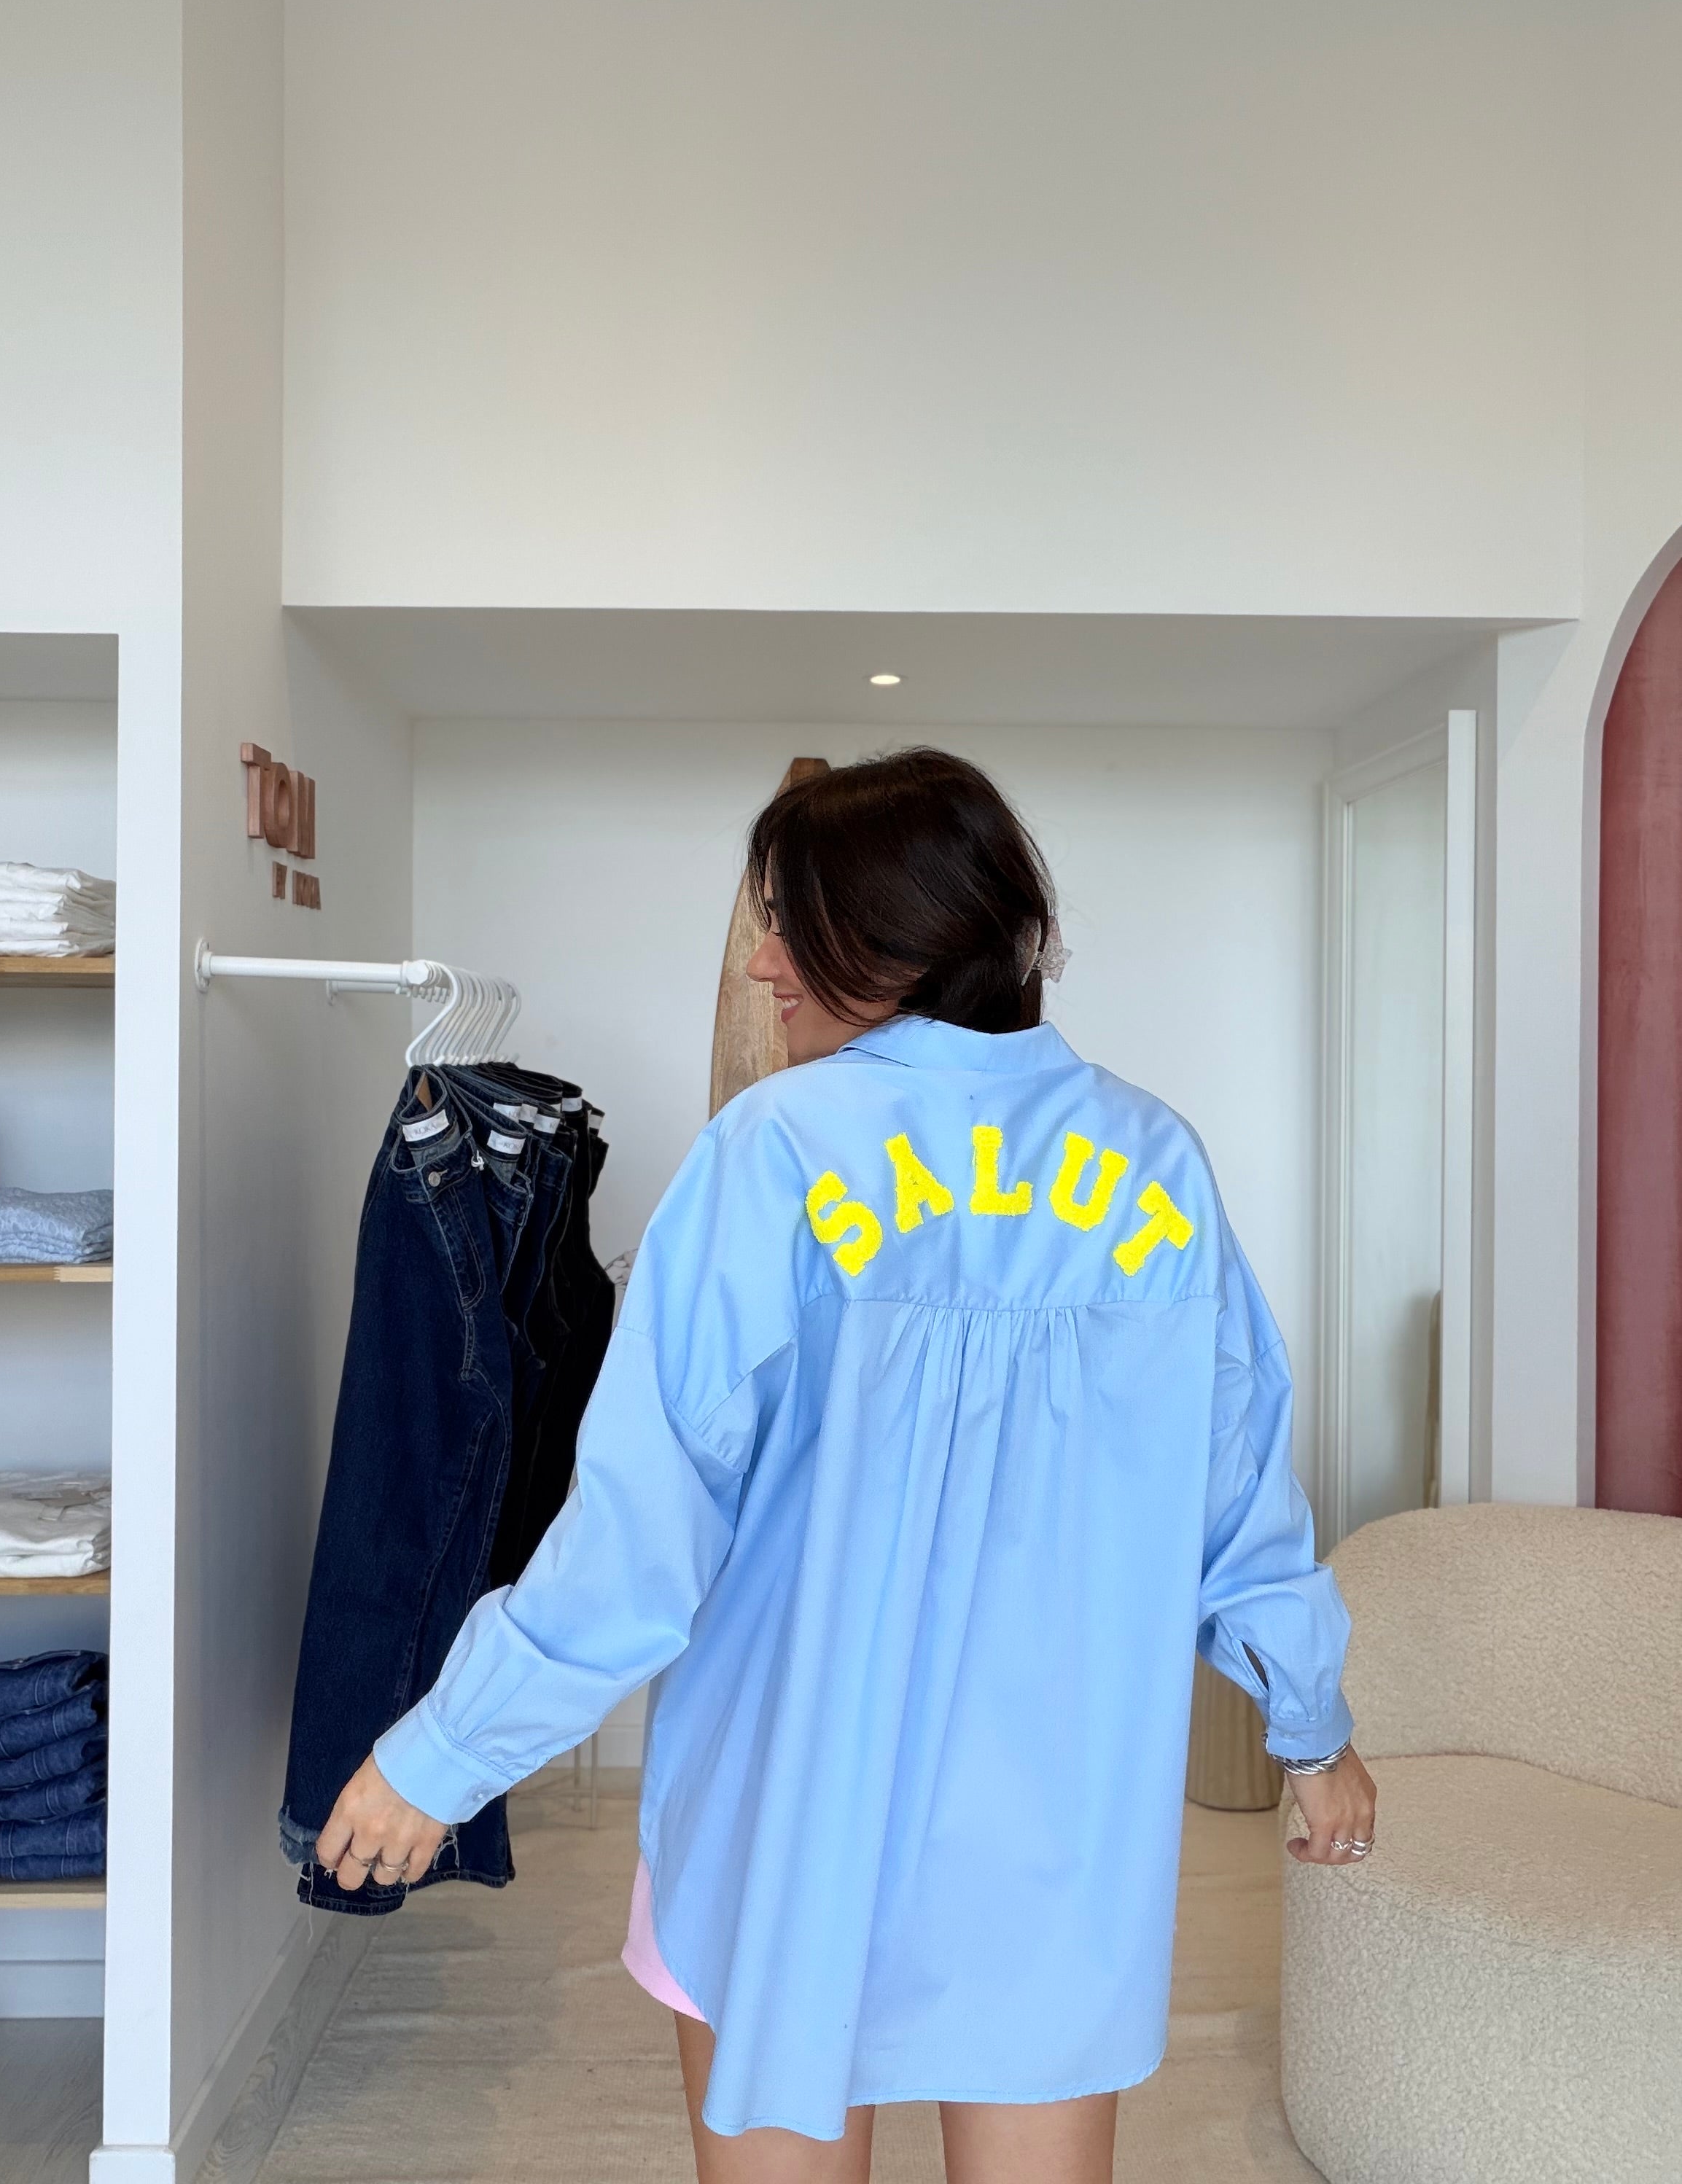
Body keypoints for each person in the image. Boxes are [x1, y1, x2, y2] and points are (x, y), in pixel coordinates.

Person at [319, 746, 1377, 2184]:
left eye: (789, 923)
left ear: (891, 936)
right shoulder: (1154, 1163)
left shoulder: (773, 1155)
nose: (763, 964)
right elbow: (1239, 1495)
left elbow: (640, 1537)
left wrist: (444, 1751)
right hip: (1053, 1838)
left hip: (785, 1819)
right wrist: (1309, 1729)